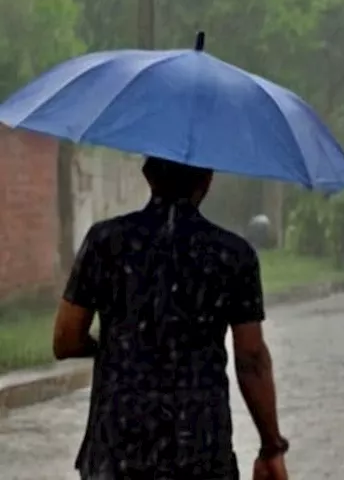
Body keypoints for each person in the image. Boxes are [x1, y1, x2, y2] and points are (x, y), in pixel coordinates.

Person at [52, 157, 290, 480]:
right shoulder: (233, 256)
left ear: (148, 176)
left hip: (116, 454)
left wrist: (117, 349)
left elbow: (66, 338)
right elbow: (251, 358)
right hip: (200, 454)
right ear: (206, 180)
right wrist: (271, 447)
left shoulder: (105, 243)